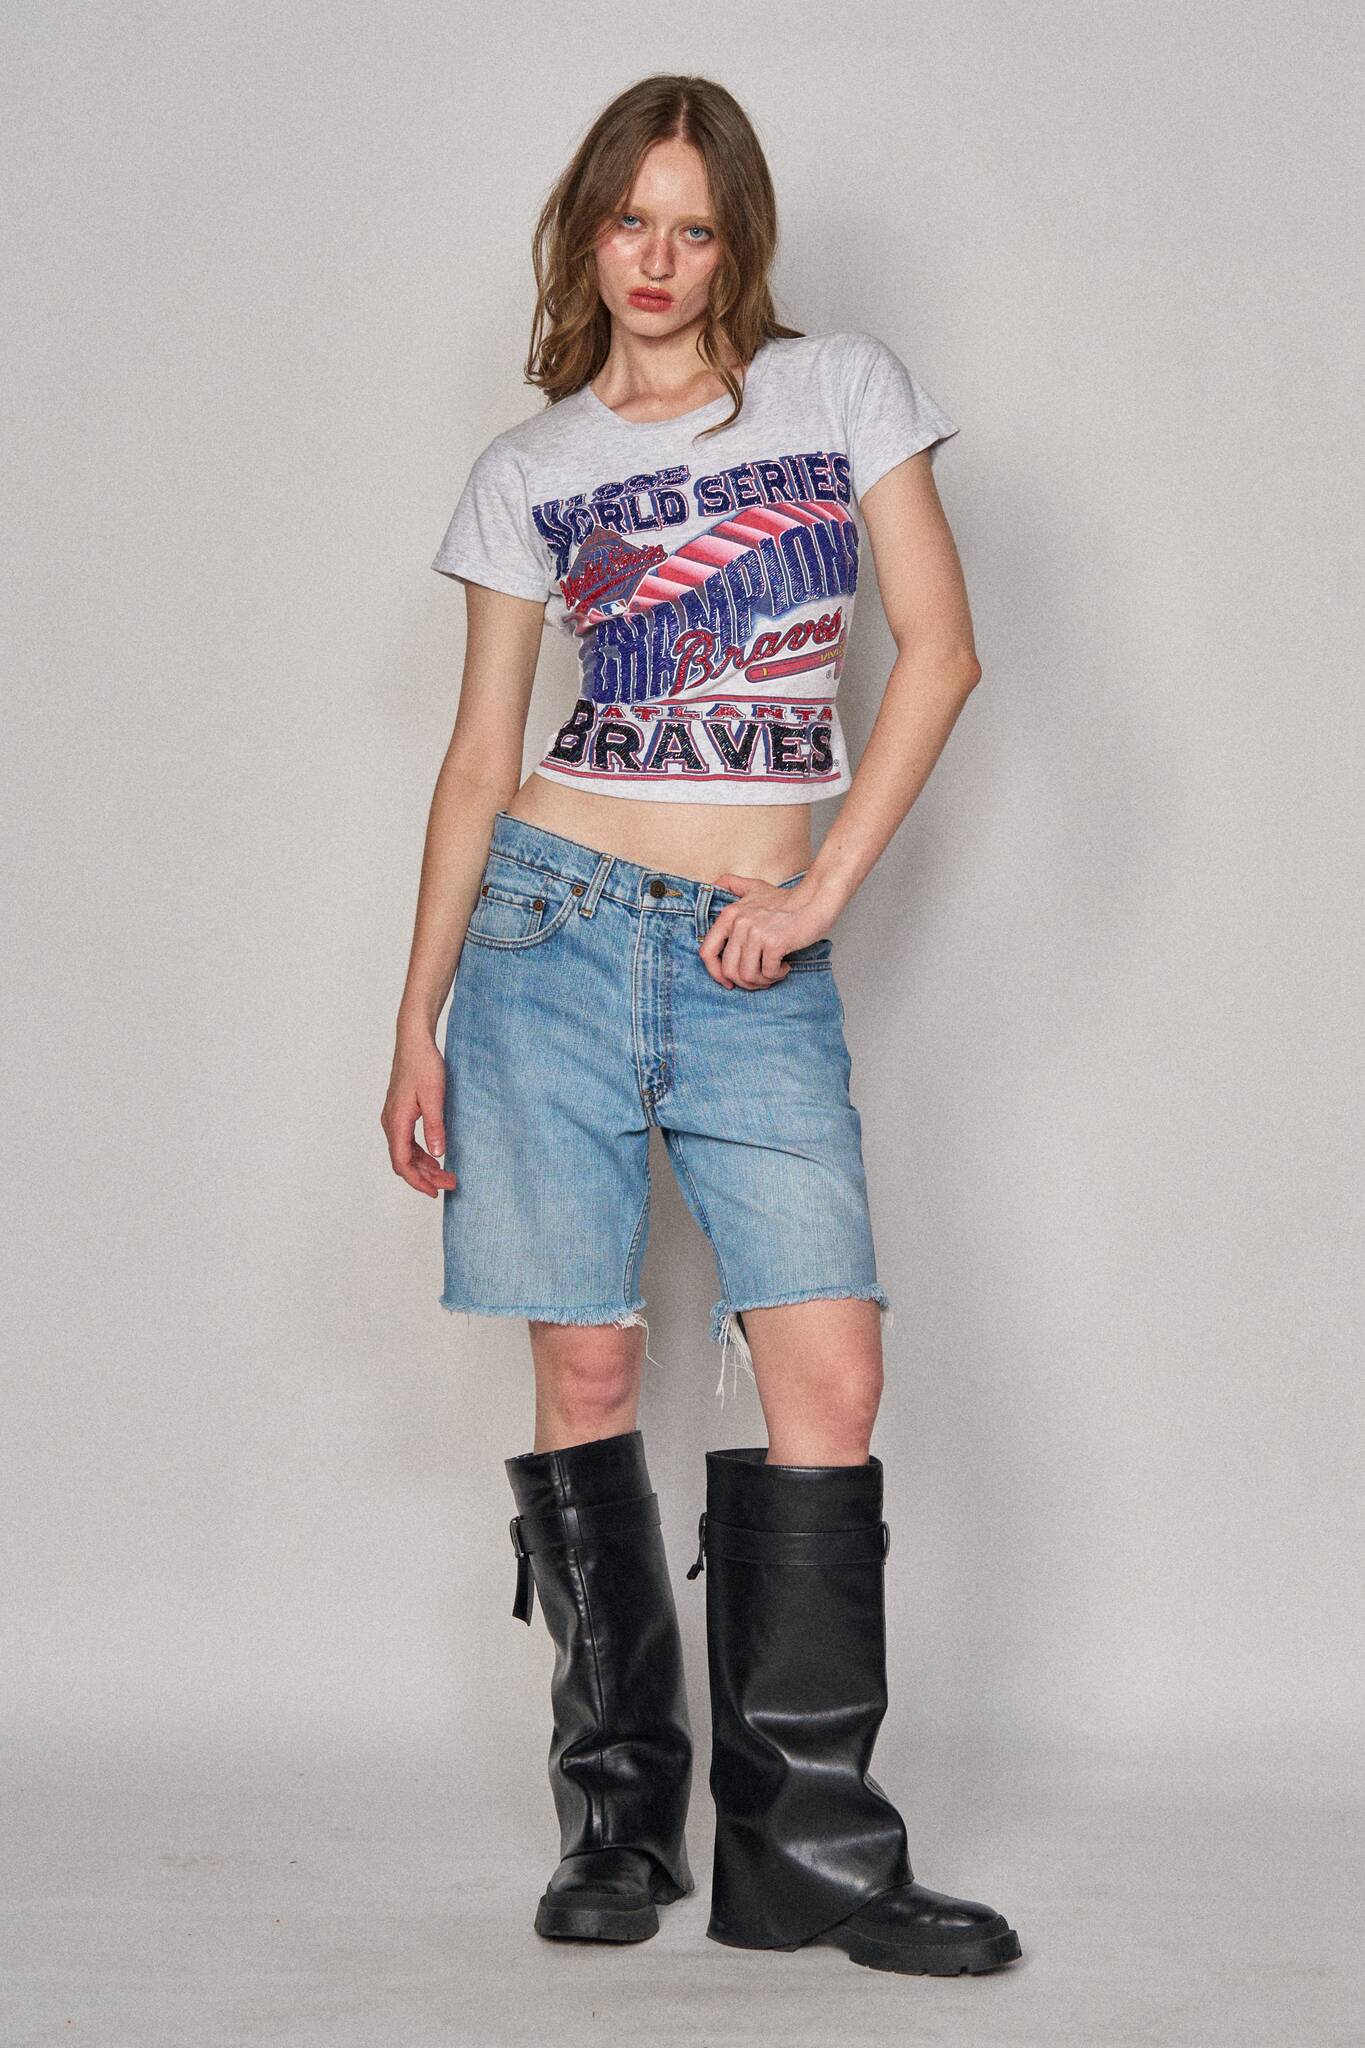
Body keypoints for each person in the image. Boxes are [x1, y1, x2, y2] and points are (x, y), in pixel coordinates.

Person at [382, 74, 1022, 1977]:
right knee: (585, 1373)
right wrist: (416, 1016)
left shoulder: (837, 393)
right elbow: (479, 756)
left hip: (756, 956)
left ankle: (809, 1852)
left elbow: (940, 652)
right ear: (584, 233)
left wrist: (819, 894)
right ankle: (614, 1821)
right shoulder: (531, 466)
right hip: (547, 937)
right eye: (626, 222)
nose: (655, 261)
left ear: (736, 242)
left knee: (829, 1376)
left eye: (692, 227)